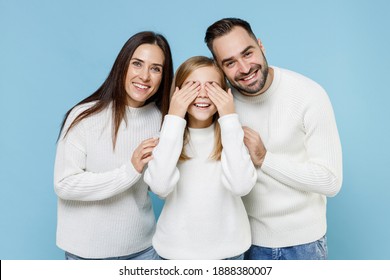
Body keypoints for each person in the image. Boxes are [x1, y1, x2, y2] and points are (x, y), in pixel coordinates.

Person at [204, 18, 343, 260]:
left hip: (301, 246)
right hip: (239, 245)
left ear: (261, 46)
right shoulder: (220, 104)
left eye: (248, 53)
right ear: (219, 67)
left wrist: (265, 158)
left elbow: (331, 181)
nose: (245, 68)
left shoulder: (308, 94)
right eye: (230, 62)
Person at [53, 31, 173, 260]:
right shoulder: (85, 117)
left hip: (144, 251)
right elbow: (64, 184)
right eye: (137, 64)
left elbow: (162, 187)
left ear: (163, 76)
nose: (145, 76)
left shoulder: (162, 121)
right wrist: (129, 170)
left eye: (156, 69)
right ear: (122, 65)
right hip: (86, 255)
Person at [143, 56, 257, 260]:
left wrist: (229, 118)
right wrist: (175, 116)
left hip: (229, 254)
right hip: (174, 254)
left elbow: (241, 186)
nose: (203, 94)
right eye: (192, 87)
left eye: (212, 86)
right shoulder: (166, 138)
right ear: (177, 93)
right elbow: (160, 187)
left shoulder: (234, 136)